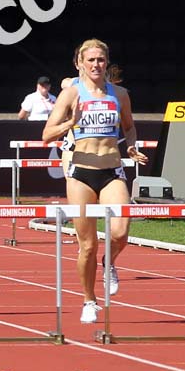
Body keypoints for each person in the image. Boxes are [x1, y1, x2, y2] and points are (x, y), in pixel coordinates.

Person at [42, 39, 147, 324]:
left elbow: (129, 126)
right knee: (87, 245)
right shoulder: (71, 94)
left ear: (107, 62)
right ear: (80, 64)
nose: (96, 65)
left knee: (121, 231)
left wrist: (132, 147)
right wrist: (70, 123)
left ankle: (109, 262)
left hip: (112, 170)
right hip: (81, 174)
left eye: (100, 60)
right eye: (90, 60)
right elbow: (46, 135)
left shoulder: (120, 94)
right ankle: (89, 300)